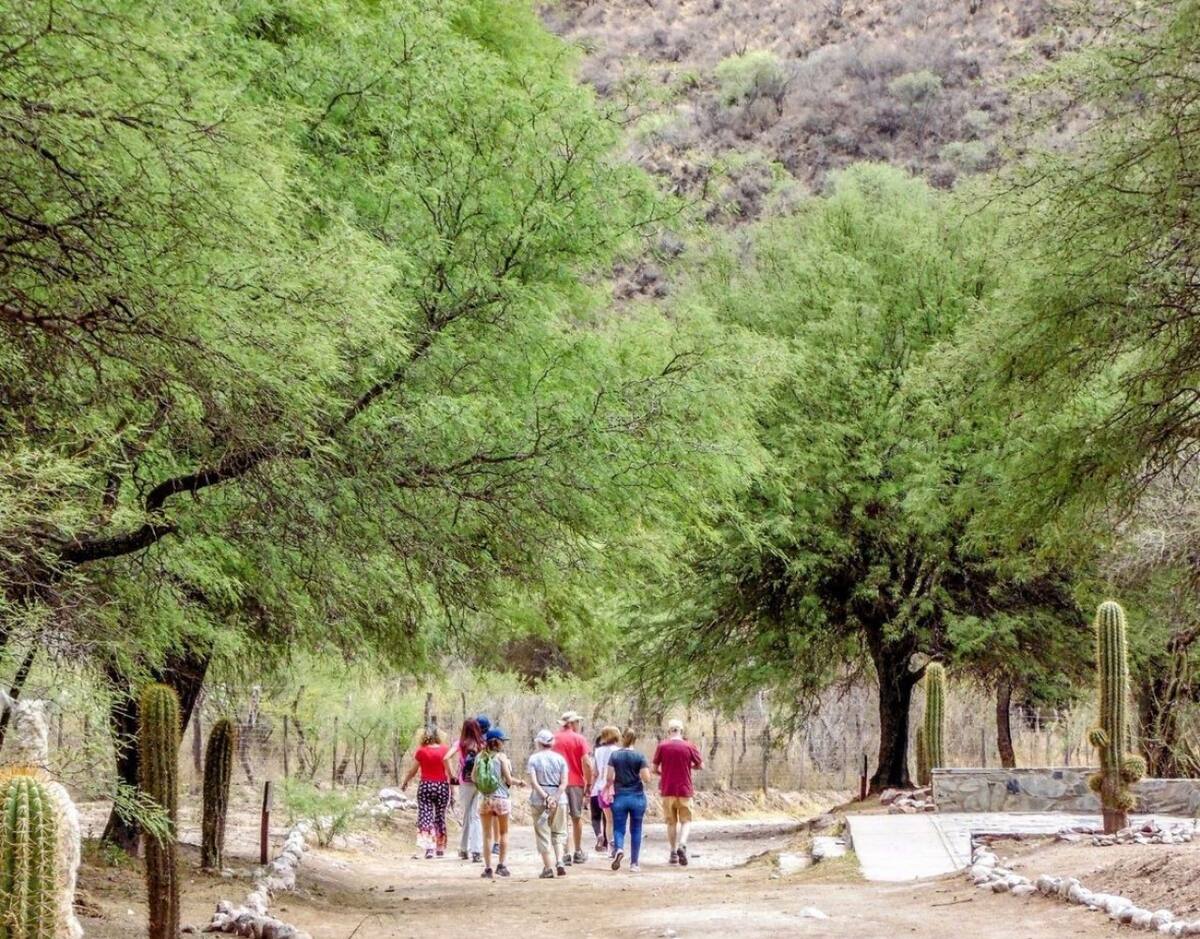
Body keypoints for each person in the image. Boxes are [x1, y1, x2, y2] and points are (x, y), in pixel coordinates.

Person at [653, 718, 704, 866]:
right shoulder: (689, 746)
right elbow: (701, 765)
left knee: (671, 823)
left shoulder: (662, 746)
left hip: (667, 789)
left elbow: (654, 769)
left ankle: (673, 852)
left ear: (669, 731)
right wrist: (690, 767)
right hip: (685, 789)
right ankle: (683, 844)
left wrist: (664, 773)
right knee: (686, 820)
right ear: (681, 731)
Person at [473, 726, 518, 879]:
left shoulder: (479, 757)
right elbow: (509, 780)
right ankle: (502, 866)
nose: (503, 744)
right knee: (503, 833)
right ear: (497, 742)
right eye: (502, 741)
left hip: (485, 799)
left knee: (486, 835)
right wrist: (515, 783)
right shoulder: (501, 757)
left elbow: (473, 777)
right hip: (501, 799)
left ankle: (487, 869)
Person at [400, 727, 451, 859]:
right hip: (442, 786)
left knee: (426, 815)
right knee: (440, 815)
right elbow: (449, 770)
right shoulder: (445, 750)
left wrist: (405, 782)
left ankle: (429, 848)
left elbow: (413, 771)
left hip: (425, 787)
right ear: (439, 736)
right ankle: (440, 847)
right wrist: (453, 786)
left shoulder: (421, 751)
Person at [606, 727, 652, 873]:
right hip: (637, 797)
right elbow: (646, 778)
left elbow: (609, 777)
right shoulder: (640, 756)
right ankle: (634, 864)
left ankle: (619, 849)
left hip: (619, 796)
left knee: (618, 828)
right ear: (635, 739)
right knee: (636, 829)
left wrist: (609, 786)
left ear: (622, 738)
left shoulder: (614, 755)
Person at [527, 728, 570, 879]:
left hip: (539, 801)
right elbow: (564, 782)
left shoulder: (534, 759)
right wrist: (555, 797)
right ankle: (559, 861)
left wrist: (545, 797)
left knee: (542, 833)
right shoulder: (560, 759)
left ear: (539, 742)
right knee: (559, 832)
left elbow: (534, 782)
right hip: (559, 800)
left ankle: (548, 867)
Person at [553, 711, 594, 865]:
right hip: (576, 782)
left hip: (558, 784)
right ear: (572, 723)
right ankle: (577, 851)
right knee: (576, 818)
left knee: (561, 819)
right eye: (577, 722)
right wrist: (588, 783)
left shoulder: (553, 739)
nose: (579, 725)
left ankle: (565, 853)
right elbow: (587, 763)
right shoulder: (579, 739)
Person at [444, 718, 486, 862]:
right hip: (479, 783)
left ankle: (463, 849)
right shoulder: (482, 744)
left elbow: (446, 758)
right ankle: (476, 851)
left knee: (467, 815)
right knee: (475, 816)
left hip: (465, 783)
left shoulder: (460, 744)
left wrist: (452, 776)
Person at [590, 726, 619, 853]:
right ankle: (613, 845)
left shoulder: (598, 751)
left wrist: (590, 787)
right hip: (613, 788)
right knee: (613, 819)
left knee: (602, 818)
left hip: (599, 788)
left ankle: (604, 842)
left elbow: (595, 772)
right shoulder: (618, 751)